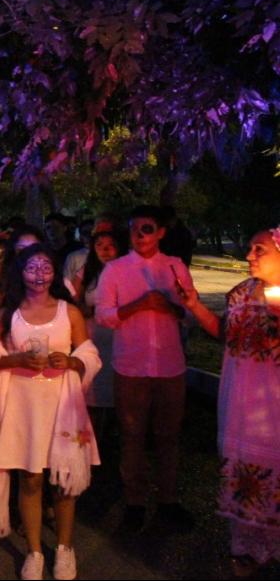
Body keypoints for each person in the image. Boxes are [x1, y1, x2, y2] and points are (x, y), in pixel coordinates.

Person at [0, 244, 100, 580]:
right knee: (30, 479)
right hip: (23, 406)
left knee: (64, 481)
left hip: (62, 405)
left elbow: (89, 353)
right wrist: (13, 360)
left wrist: (72, 361)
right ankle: (33, 552)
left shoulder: (68, 311)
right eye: (32, 268)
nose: (39, 275)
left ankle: (64, 548)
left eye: (46, 268)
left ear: (54, 272)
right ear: (21, 272)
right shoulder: (9, 313)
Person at [179, 226, 280, 578]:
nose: (249, 255)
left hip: (275, 410)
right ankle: (246, 550)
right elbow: (223, 333)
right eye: (250, 248)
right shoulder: (240, 294)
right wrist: (193, 304)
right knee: (244, 476)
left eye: (259, 249)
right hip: (239, 404)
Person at [96, 205, 197, 533]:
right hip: (131, 366)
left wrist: (167, 304)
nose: (140, 235)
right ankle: (135, 502)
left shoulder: (175, 267)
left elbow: (190, 311)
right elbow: (104, 316)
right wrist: (139, 305)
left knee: (168, 436)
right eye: (135, 229)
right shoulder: (115, 270)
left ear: (161, 233)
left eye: (147, 228)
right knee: (132, 436)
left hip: (169, 366)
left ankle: (168, 500)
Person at [73, 230, 126, 436]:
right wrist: (82, 309)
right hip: (92, 335)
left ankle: (116, 432)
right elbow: (73, 299)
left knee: (115, 383)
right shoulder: (87, 272)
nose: (104, 250)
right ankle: (92, 435)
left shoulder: (126, 271)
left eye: (110, 245)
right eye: (99, 245)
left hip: (118, 335)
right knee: (93, 385)